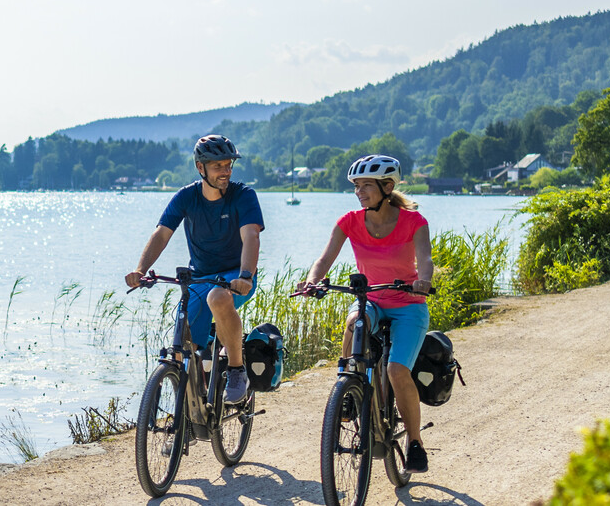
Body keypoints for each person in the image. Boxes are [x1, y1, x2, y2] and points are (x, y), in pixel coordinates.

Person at [297, 154, 434, 473]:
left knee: (397, 371)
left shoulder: (414, 222)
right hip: (371, 299)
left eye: (366, 186)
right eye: (356, 186)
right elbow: (324, 258)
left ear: (387, 187)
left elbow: (424, 259)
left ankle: (415, 443)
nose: (359, 192)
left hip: (408, 305)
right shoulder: (350, 221)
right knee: (354, 321)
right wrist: (313, 281)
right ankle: (348, 384)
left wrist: (423, 281)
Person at [125, 134, 264, 403]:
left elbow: (251, 236)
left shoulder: (243, 195)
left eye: (228, 165)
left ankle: (236, 370)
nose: (225, 171)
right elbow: (161, 235)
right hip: (200, 278)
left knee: (218, 297)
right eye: (217, 166)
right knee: (181, 347)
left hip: (237, 275)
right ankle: (187, 416)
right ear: (200, 168)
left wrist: (246, 274)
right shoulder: (186, 197)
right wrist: (141, 270)